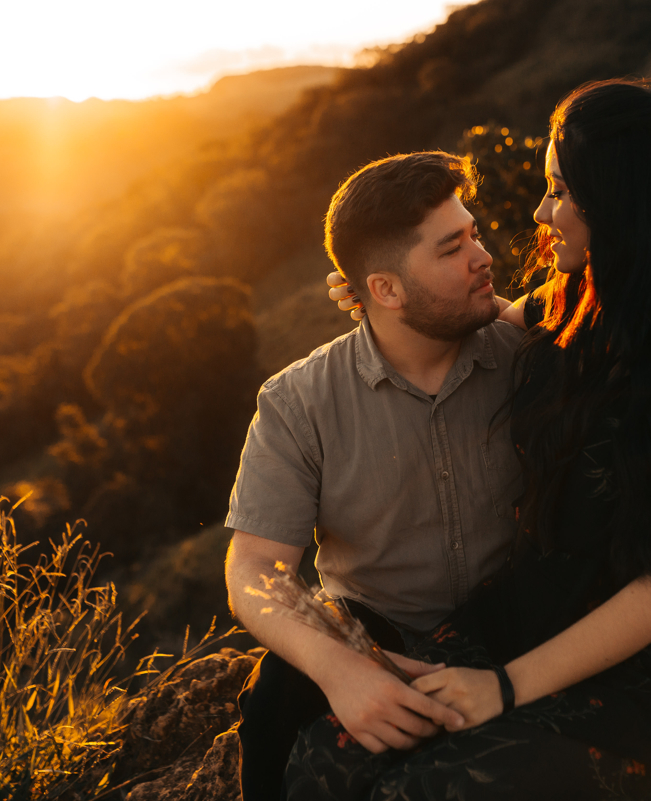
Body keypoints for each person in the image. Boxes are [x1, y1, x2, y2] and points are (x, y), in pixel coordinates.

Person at [293, 78, 651, 800]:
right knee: (325, 759)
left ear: (621, 203)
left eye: (560, 191)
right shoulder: (566, 311)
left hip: (647, 682)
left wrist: (503, 686)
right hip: (528, 619)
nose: (540, 211)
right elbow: (473, 313)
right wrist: (384, 292)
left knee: (423, 789)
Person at [224, 150, 528, 801]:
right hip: (376, 631)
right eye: (453, 248)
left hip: (518, 622)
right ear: (384, 290)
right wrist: (342, 668)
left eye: (474, 234)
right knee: (275, 699)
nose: (484, 255)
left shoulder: (527, 357)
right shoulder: (298, 400)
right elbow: (252, 567)